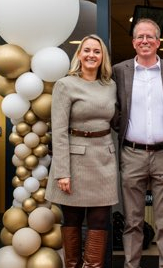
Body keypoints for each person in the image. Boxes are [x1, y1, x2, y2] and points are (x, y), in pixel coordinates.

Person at [113, 18, 163, 268]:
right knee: (132, 221)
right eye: (139, 37)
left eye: (149, 37)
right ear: (133, 43)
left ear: (158, 42)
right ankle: (131, 265)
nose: (145, 41)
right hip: (132, 153)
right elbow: (114, 111)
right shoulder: (119, 71)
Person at [46, 34, 118, 268]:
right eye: (86, 50)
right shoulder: (65, 85)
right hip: (74, 162)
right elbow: (58, 130)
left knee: (99, 221)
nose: (91, 55)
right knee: (73, 221)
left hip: (103, 159)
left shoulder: (110, 85)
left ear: (102, 57)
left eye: (96, 51)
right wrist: (61, 171)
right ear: (79, 54)